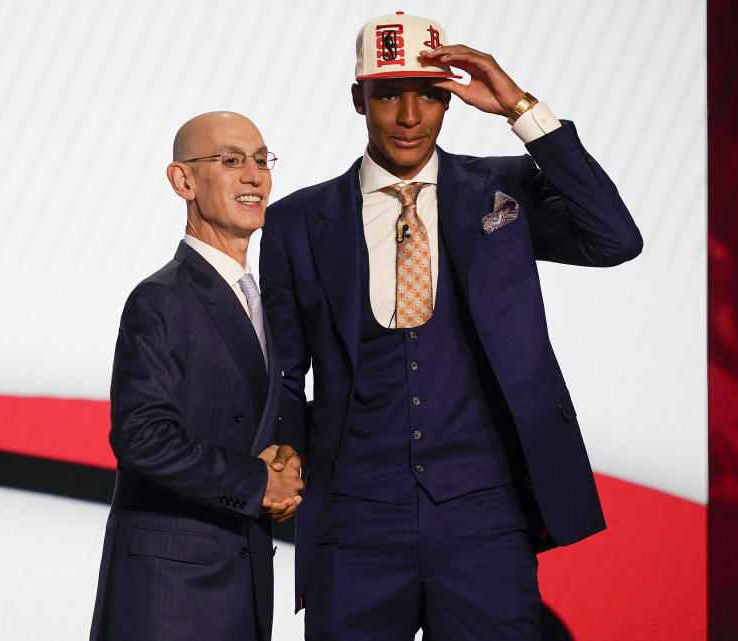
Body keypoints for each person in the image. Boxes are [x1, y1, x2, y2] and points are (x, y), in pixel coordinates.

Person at [260, 11, 643, 640]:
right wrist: (284, 452)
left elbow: (614, 239)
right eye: (388, 95)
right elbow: (283, 365)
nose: (410, 117)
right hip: (355, 521)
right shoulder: (299, 219)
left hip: (484, 517)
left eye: (430, 95)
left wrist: (520, 109)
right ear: (359, 99)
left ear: (450, 99)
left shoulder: (502, 189)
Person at [89, 111, 303, 641]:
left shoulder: (264, 302)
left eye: (261, 160)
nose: (253, 175)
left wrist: (291, 459)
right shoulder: (161, 297)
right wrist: (258, 483)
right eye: (230, 160)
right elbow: (142, 438)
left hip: (241, 574)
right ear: (183, 180)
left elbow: (266, 414)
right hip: (171, 589)